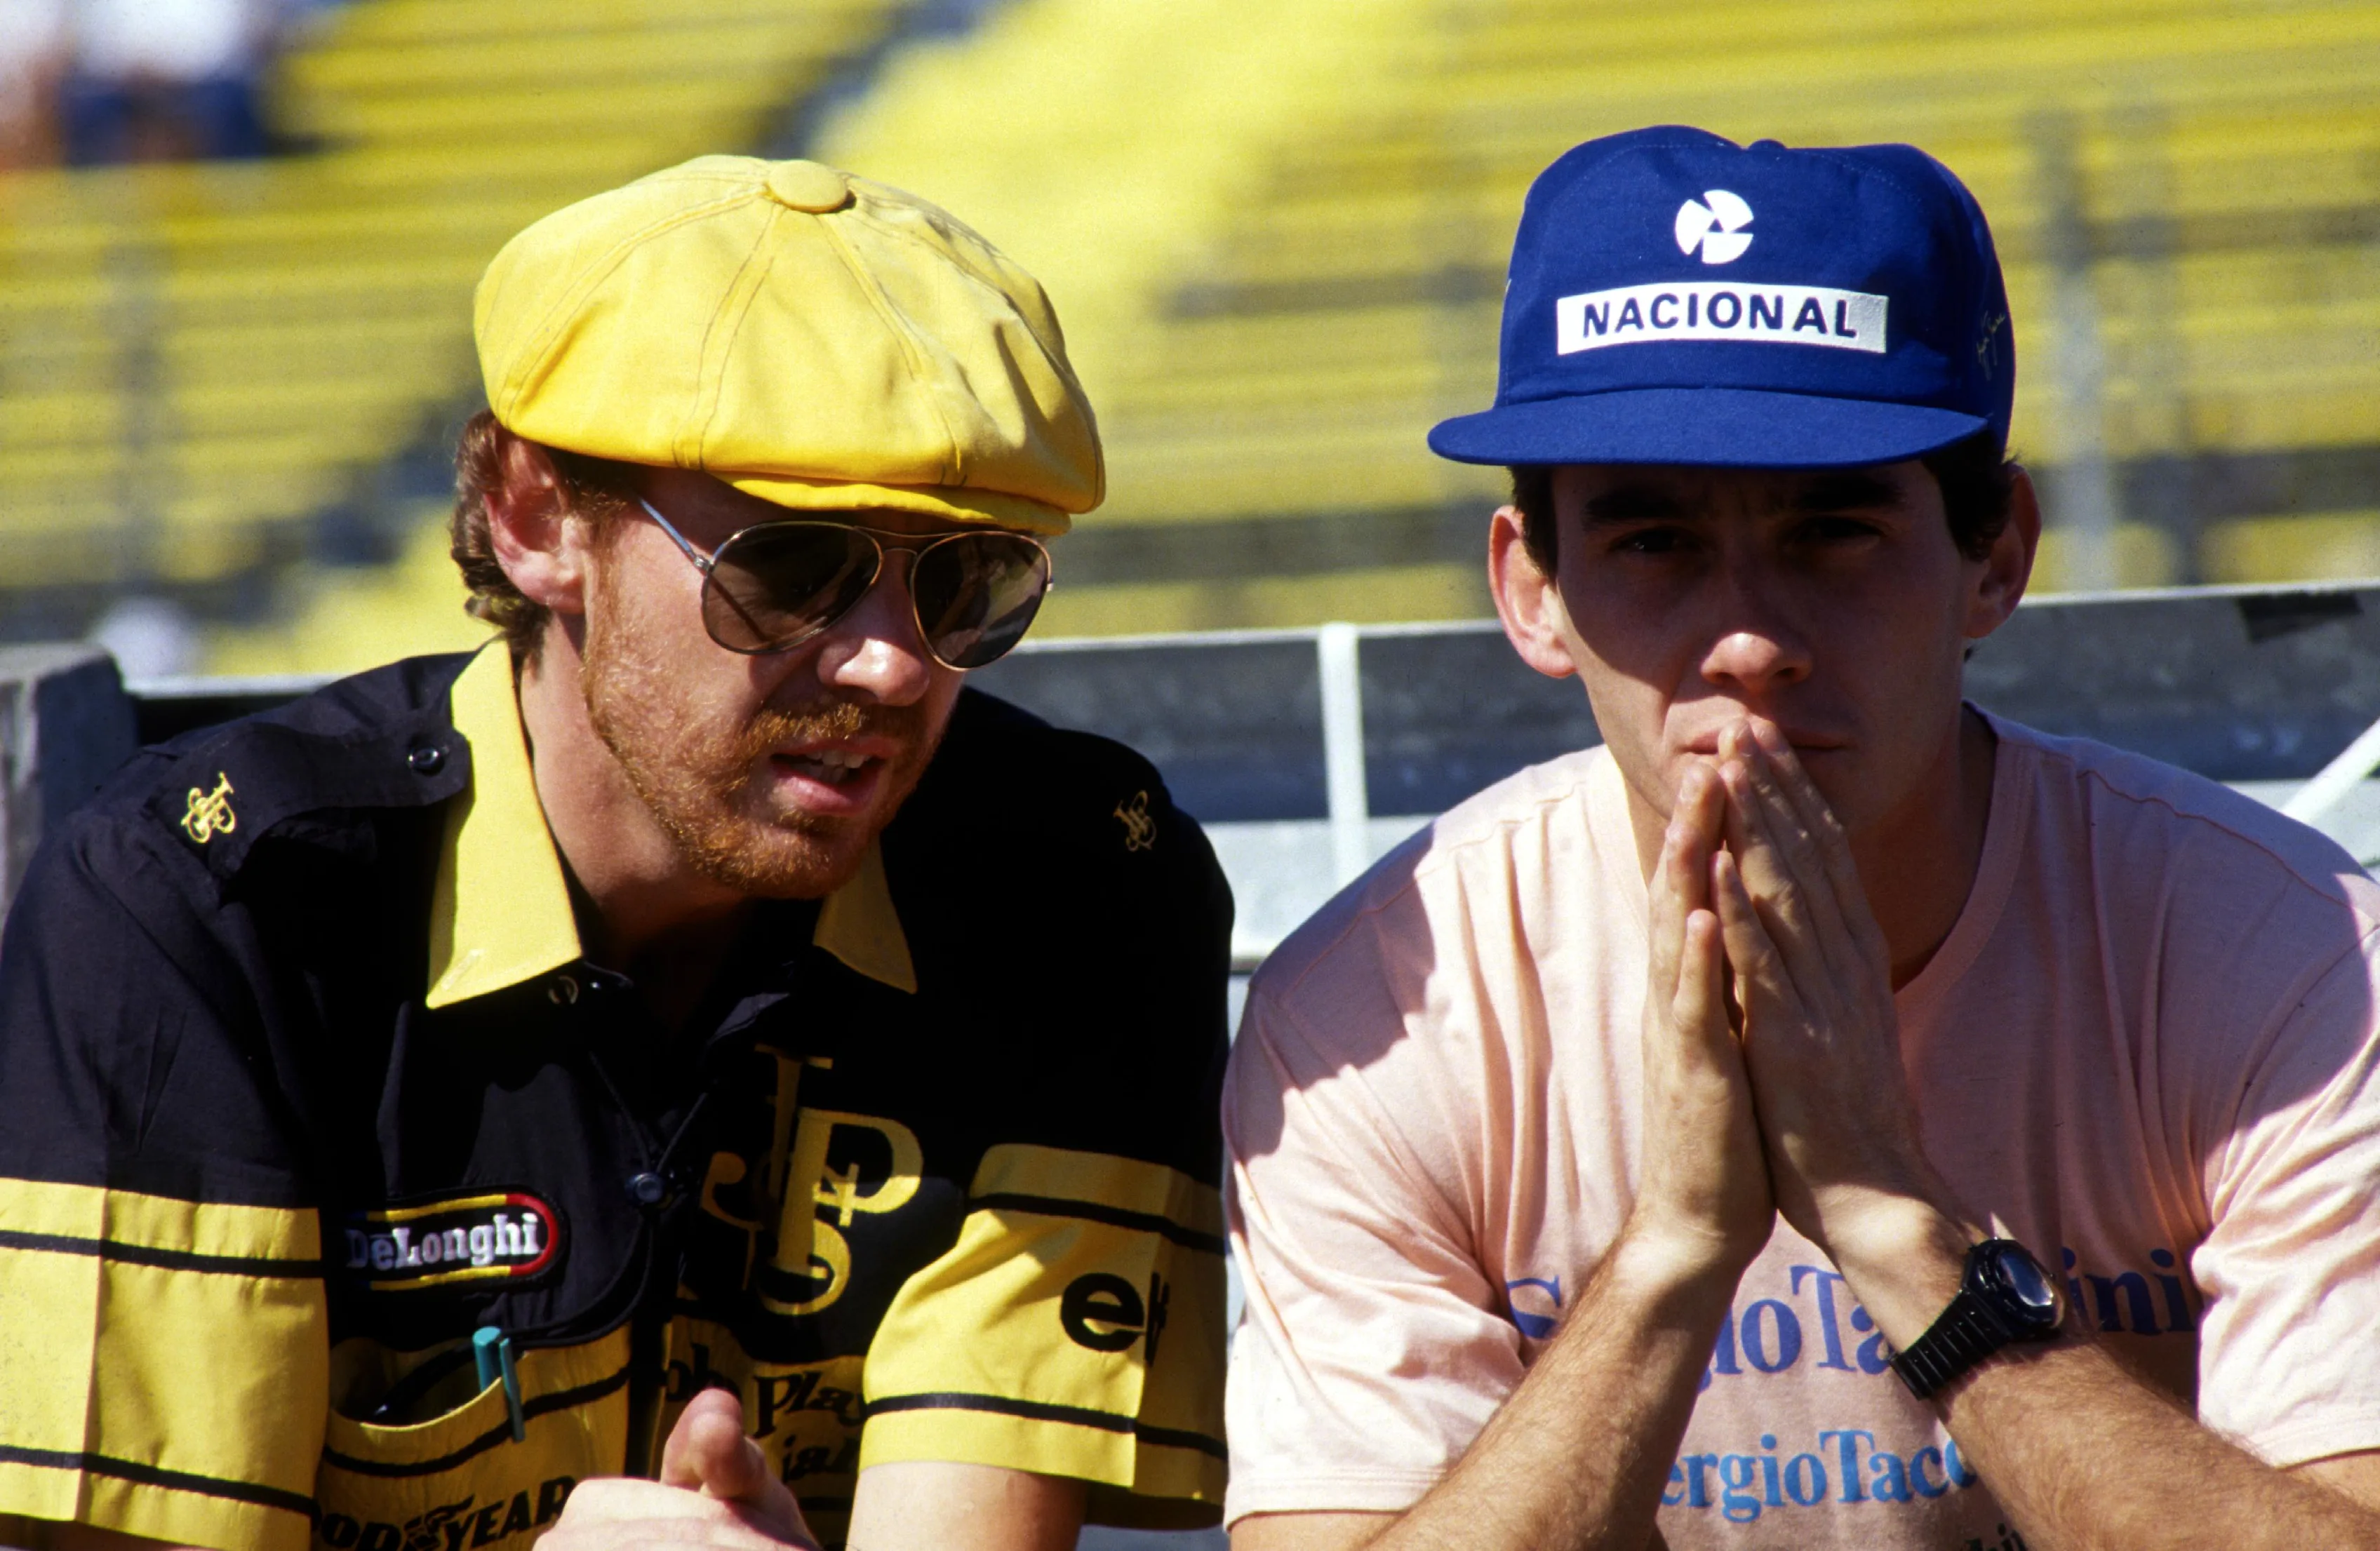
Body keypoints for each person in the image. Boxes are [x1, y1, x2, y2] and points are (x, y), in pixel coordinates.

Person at [0, 156, 1233, 1551]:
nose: (894, 663)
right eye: (790, 566)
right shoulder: (205, 909)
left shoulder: (1077, 895)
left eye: (970, 580)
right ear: (536, 520)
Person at [1222, 126, 2380, 1550]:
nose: (1750, 639)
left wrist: (1896, 1224)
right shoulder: (1377, 1013)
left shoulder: (2285, 951)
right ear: (1533, 590)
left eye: (1834, 530)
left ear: (1995, 556)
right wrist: (1669, 1255)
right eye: (1651, 541)